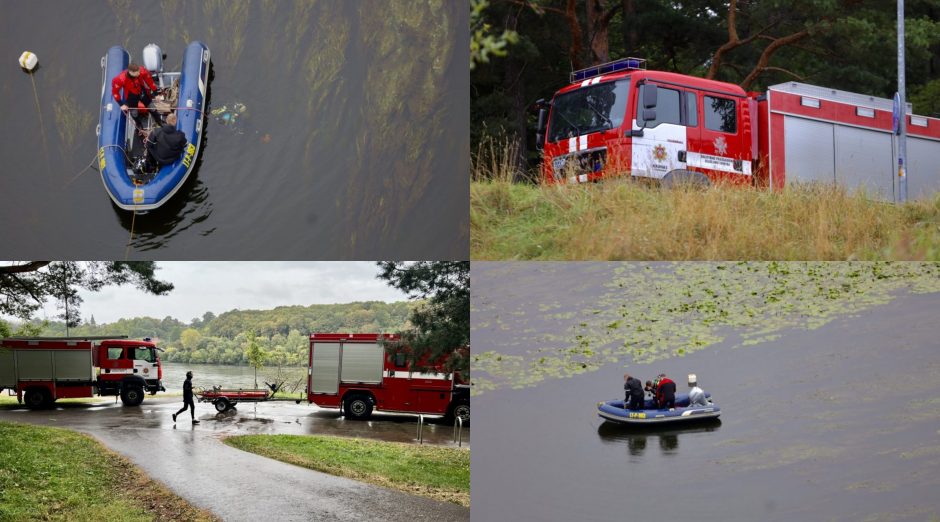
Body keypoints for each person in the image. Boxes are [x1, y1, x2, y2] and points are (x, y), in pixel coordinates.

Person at [112, 62, 164, 128]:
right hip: (131, 96)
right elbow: (115, 92)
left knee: (152, 107)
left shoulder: (142, 71)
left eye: (139, 71)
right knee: (134, 112)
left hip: (142, 91)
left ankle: (159, 120)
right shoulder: (120, 79)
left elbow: (150, 82)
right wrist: (121, 104)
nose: (139, 73)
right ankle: (139, 124)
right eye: (137, 73)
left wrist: (156, 94)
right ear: (131, 72)